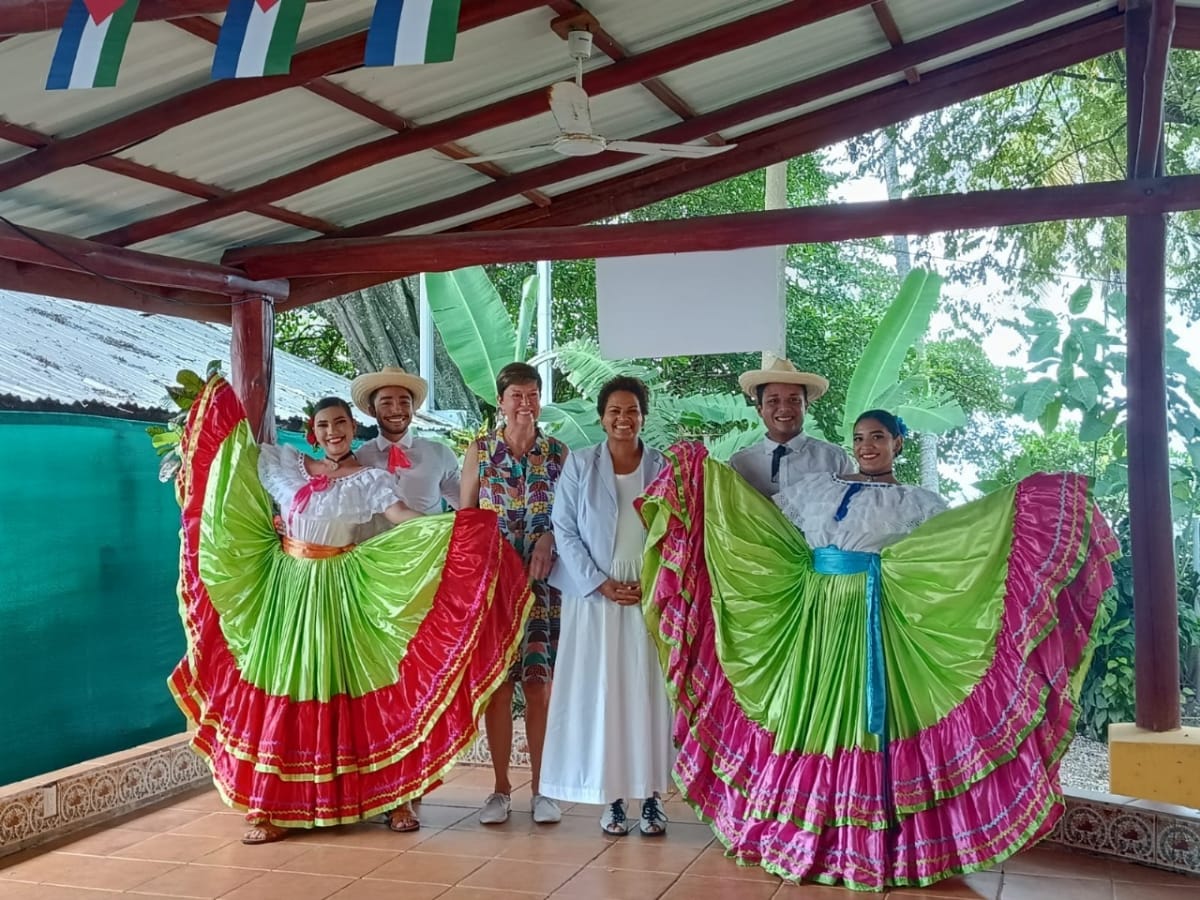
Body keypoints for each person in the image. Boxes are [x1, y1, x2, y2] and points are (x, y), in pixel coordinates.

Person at [639, 409, 1118, 891]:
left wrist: (1024, 506)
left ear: (898, 445)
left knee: (873, 725)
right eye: (860, 438)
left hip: (877, 624)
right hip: (816, 623)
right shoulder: (818, 490)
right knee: (811, 718)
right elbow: (764, 528)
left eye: (879, 438)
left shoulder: (921, 503)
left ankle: (876, 842)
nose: (868, 446)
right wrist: (704, 479)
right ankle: (810, 831)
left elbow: (951, 556)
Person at [168, 377, 533, 845]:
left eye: (341, 423)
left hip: (346, 590)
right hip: (288, 592)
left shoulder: (369, 478)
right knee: (286, 690)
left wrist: (456, 532)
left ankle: (395, 798)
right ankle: (270, 806)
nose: (333, 431)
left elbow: (400, 515)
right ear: (313, 431)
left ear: (351, 427)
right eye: (324, 425)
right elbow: (233, 472)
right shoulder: (283, 465)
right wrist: (210, 415)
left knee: (368, 691)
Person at [540, 377, 674, 836]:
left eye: (632, 410)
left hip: (648, 592)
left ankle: (652, 796)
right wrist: (599, 583)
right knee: (605, 693)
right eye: (615, 410)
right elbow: (564, 529)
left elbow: (677, 527)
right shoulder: (580, 464)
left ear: (643, 415)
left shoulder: (662, 465)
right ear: (601, 417)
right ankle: (613, 798)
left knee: (648, 692)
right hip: (594, 596)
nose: (623, 418)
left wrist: (655, 581)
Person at [460, 362, 568, 826]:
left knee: (540, 689)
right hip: (493, 592)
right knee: (498, 690)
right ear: (500, 402)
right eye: (516, 396)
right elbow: (466, 518)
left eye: (533, 394)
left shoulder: (560, 453)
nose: (525, 403)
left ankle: (544, 789)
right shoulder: (480, 452)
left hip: (544, 589)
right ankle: (501, 789)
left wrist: (551, 538)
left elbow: (572, 519)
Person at [729, 354, 854, 497]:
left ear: (806, 406)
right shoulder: (740, 464)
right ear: (760, 410)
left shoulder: (834, 459)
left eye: (794, 400)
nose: (784, 408)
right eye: (773, 401)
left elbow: (853, 508)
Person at [350, 366, 461, 527]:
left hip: (429, 547)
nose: (396, 409)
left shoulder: (439, 453)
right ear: (372, 410)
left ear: (413, 409)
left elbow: (465, 505)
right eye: (386, 403)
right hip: (377, 549)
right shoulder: (360, 459)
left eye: (404, 402)